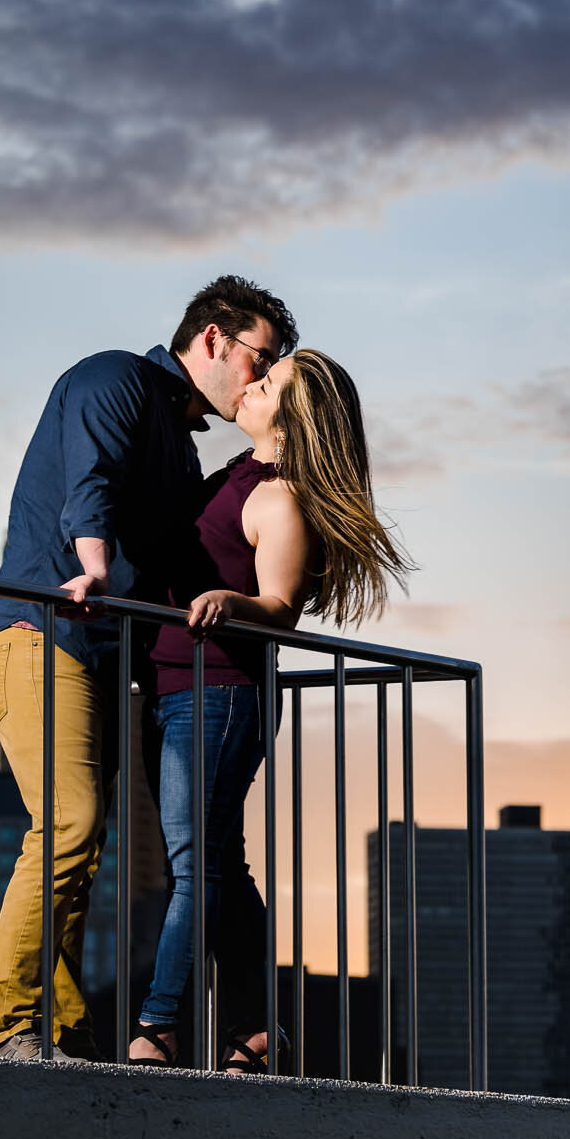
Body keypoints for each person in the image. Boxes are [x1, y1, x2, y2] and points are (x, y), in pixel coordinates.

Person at [0, 276, 297, 1062]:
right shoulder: (113, 377)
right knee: (70, 823)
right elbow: (88, 484)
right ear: (214, 339)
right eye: (262, 356)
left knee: (106, 842)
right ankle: (16, 1025)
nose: (263, 376)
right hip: (38, 630)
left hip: (104, 657)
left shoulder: (185, 453)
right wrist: (91, 568)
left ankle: (65, 1026)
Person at [126, 348, 411, 1072]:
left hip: (219, 693)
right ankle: (255, 1028)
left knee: (195, 867)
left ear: (298, 415)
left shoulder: (280, 497)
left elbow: (280, 606)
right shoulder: (232, 478)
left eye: (270, 382)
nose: (250, 384)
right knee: (220, 860)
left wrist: (233, 601)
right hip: (172, 690)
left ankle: (159, 1024)